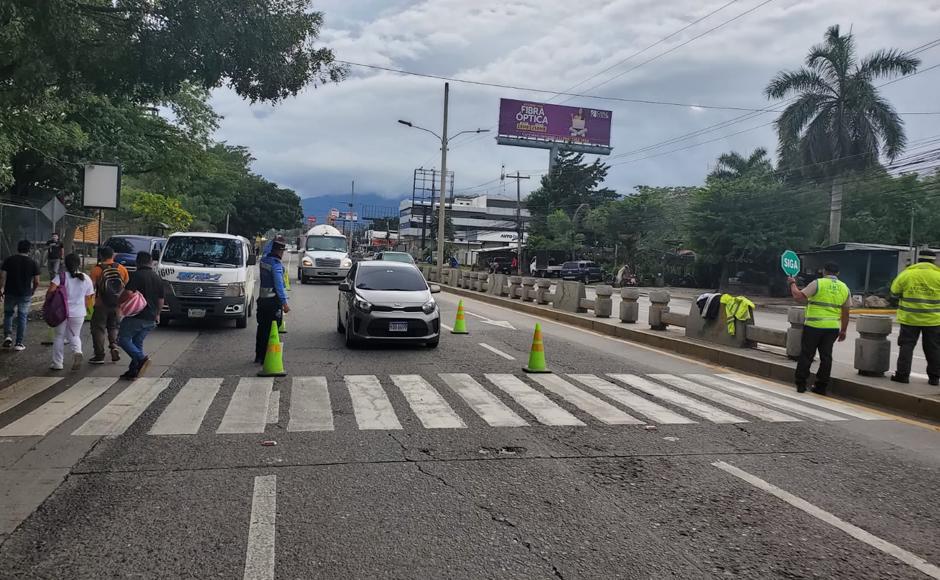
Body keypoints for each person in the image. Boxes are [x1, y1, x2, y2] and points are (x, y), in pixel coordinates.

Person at [788, 262, 850, 394]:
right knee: (826, 357)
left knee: (807, 355)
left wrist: (792, 283)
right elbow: (846, 312)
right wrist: (843, 330)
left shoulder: (818, 283)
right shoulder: (844, 287)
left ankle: (801, 384)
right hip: (832, 328)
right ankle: (821, 386)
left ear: (824, 271)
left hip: (813, 326)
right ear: (838, 273)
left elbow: (798, 297)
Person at [889, 250, 940, 386]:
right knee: (933, 348)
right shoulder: (938, 276)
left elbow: (894, 292)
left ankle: (902, 375)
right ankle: (934, 378)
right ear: (933, 261)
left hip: (910, 319)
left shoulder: (907, 274)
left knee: (906, 346)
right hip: (933, 320)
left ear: (918, 260)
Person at [117, 251, 164, 380]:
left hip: (136, 315)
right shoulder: (157, 277)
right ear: (151, 262)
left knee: (122, 339)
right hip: (151, 317)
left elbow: (127, 292)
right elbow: (161, 300)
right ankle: (134, 370)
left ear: (137, 262)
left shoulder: (137, 275)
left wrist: (119, 302)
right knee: (137, 343)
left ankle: (141, 359)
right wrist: (158, 314)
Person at [48, 253, 95, 371]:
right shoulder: (86, 278)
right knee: (75, 335)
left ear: (66, 264)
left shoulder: (61, 277)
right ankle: (77, 351)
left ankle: (57, 363)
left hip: (61, 311)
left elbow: (51, 290)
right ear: (79, 263)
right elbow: (89, 297)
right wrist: (87, 308)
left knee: (59, 336)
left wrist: (50, 301)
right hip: (79, 312)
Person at [89, 246, 129, 364]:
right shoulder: (122, 269)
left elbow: (91, 287)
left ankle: (99, 355)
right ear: (113, 255)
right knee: (114, 327)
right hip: (116, 304)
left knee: (98, 329)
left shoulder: (96, 269)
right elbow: (125, 284)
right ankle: (114, 346)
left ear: (101, 256)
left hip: (101, 304)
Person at [1, 240, 40, 351]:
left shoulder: (8, 260)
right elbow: (37, 281)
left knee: (8, 314)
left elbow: (2, 277)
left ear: (18, 248)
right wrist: (33, 290)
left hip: (9, 292)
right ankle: (19, 343)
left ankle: (7, 336)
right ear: (29, 250)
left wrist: (1, 288)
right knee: (22, 317)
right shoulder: (33, 263)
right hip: (25, 293)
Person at [255, 236, 290, 364]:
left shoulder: (264, 261)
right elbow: (279, 285)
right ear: (279, 251)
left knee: (262, 328)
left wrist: (274, 240)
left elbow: (266, 250)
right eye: (282, 251)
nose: (282, 253)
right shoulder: (275, 265)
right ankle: (267, 357)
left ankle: (259, 355)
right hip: (273, 302)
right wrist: (285, 303)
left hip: (262, 300)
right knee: (272, 329)